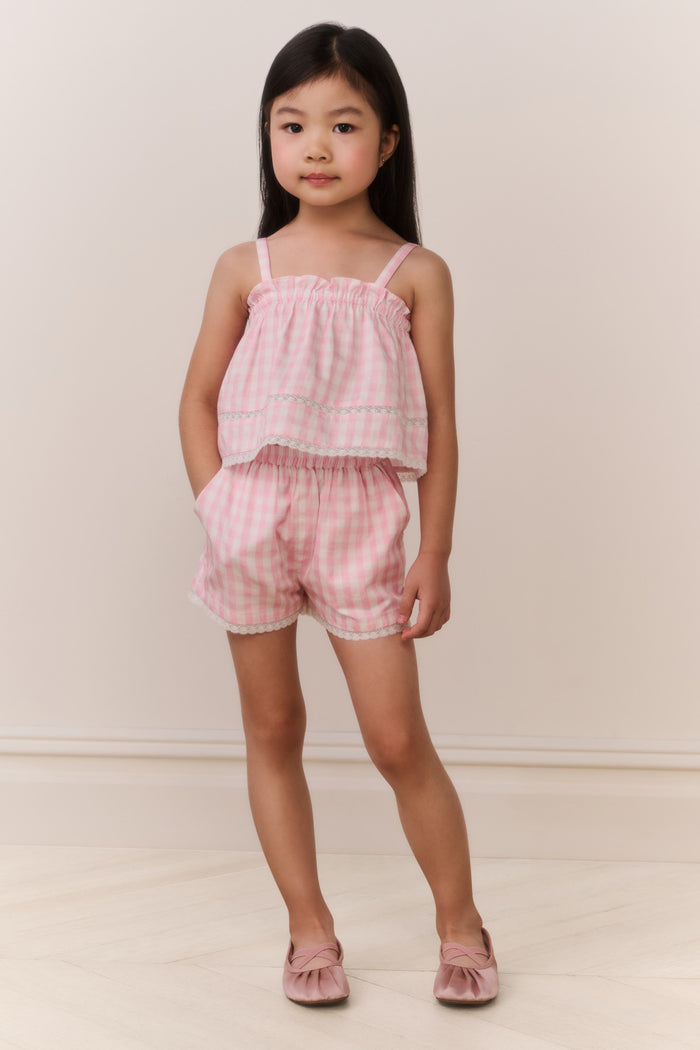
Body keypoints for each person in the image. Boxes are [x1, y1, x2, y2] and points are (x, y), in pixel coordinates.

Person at [179, 22, 498, 1007]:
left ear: (388, 142)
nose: (315, 147)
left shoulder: (414, 273)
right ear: (269, 139)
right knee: (272, 726)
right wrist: (220, 504)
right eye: (292, 124)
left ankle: (461, 924)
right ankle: (308, 929)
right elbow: (194, 400)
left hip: (362, 518)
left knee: (397, 741)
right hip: (253, 519)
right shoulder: (247, 266)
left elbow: (443, 425)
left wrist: (433, 551)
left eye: (343, 124)